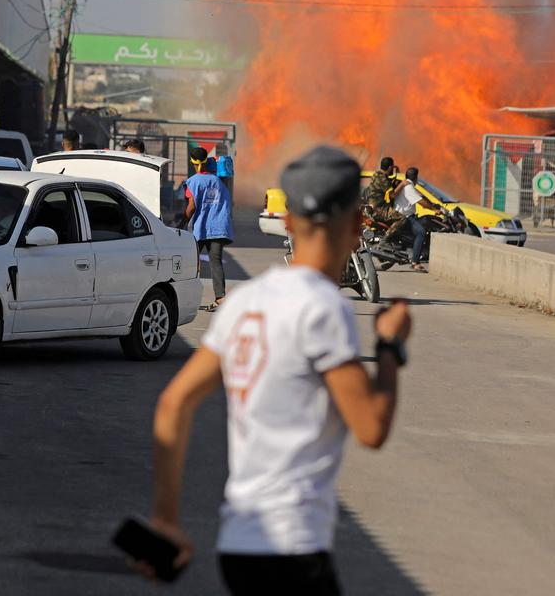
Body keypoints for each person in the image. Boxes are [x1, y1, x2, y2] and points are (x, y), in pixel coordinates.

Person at [144, 145, 412, 595]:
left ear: (287, 223)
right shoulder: (324, 307)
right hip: (294, 548)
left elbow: (174, 404)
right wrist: (389, 347)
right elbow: (370, 428)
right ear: (356, 225)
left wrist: (166, 520)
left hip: (239, 546)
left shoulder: (244, 303)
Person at [181, 147, 233, 311]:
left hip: (201, 228)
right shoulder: (218, 181)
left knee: (192, 263)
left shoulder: (192, 181)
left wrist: (181, 224)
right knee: (215, 263)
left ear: (192, 162)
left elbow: (191, 207)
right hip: (219, 227)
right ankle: (220, 298)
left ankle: (188, 300)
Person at [393, 166, 441, 271]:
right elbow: (421, 202)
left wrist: (433, 204)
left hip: (404, 216)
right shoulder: (408, 187)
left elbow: (421, 197)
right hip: (405, 217)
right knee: (421, 232)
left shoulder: (407, 185)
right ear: (415, 178)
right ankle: (415, 262)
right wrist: (434, 210)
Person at [365, 156, 406, 241]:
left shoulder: (376, 175)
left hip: (374, 207)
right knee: (402, 218)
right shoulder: (383, 179)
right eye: (392, 167)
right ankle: (385, 240)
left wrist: (396, 174)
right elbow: (393, 195)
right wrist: (402, 184)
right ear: (390, 167)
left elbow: (389, 185)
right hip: (379, 209)